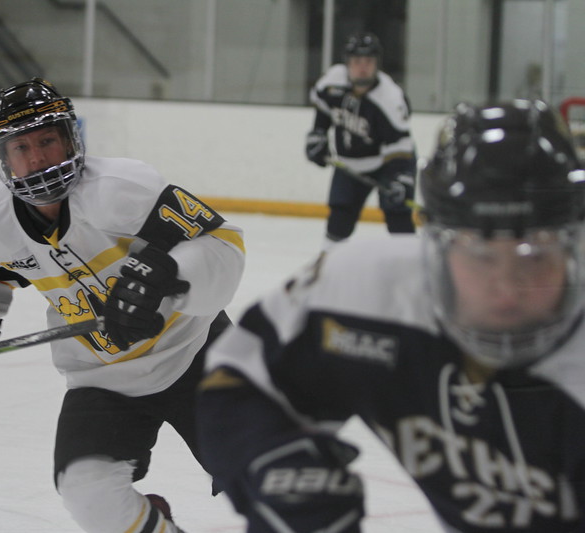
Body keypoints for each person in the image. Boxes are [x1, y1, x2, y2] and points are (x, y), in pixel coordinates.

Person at [197, 99, 585, 532]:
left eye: (536, 257)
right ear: (434, 244)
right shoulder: (363, 291)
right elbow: (243, 379)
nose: (508, 288)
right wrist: (274, 466)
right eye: (480, 256)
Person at [0, 78, 245, 533]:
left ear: (70, 137)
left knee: (273, 476)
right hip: (103, 378)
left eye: (47, 141)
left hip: (197, 350)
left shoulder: (121, 188)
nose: (36, 158)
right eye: (21, 148)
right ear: (3, 158)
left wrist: (159, 277)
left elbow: (221, 242)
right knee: (86, 490)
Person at [305, 32, 417, 250]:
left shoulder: (390, 98)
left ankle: (413, 270)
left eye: (368, 61)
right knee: (339, 220)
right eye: (356, 61)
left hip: (388, 162)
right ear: (347, 63)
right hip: (350, 165)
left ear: (377, 64)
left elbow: (400, 146)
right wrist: (317, 135)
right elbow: (324, 111)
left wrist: (400, 180)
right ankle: (328, 270)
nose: (362, 67)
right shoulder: (333, 82)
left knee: (398, 218)